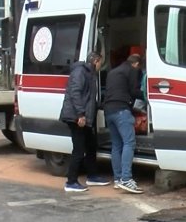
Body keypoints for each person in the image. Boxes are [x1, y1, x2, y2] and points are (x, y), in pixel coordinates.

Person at [59, 51, 109, 192]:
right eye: (100, 63)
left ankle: (92, 176)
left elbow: (88, 97)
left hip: (82, 116)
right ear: (95, 61)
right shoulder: (80, 72)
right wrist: (80, 114)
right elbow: (75, 93)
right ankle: (71, 182)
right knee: (79, 149)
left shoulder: (89, 73)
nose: (100, 66)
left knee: (91, 146)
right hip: (75, 117)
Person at [102, 54, 145, 194]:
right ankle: (126, 179)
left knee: (116, 145)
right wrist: (146, 95)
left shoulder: (113, 71)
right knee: (129, 142)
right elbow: (133, 91)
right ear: (136, 64)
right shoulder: (132, 70)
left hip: (108, 111)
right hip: (121, 110)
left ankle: (118, 179)